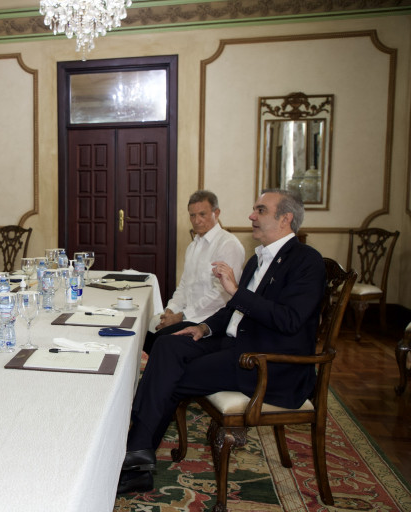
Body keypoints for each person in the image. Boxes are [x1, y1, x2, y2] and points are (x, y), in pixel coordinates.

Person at [117, 189, 325, 494]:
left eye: (260, 210)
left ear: (286, 219)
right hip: (237, 344)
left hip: (267, 362)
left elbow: (289, 320)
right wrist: (203, 328)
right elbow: (232, 311)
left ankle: (136, 457)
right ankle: (139, 453)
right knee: (168, 345)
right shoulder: (258, 259)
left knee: (172, 376)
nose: (251, 216)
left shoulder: (307, 260)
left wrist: (237, 292)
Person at [143, 190, 244, 354]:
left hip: (209, 322)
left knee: (159, 340)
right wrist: (170, 311)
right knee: (145, 331)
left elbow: (222, 294)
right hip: (187, 315)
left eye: (202, 214)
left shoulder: (228, 244)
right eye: (192, 215)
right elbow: (184, 285)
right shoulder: (193, 246)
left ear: (216, 213)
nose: (196, 221)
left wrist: (181, 316)